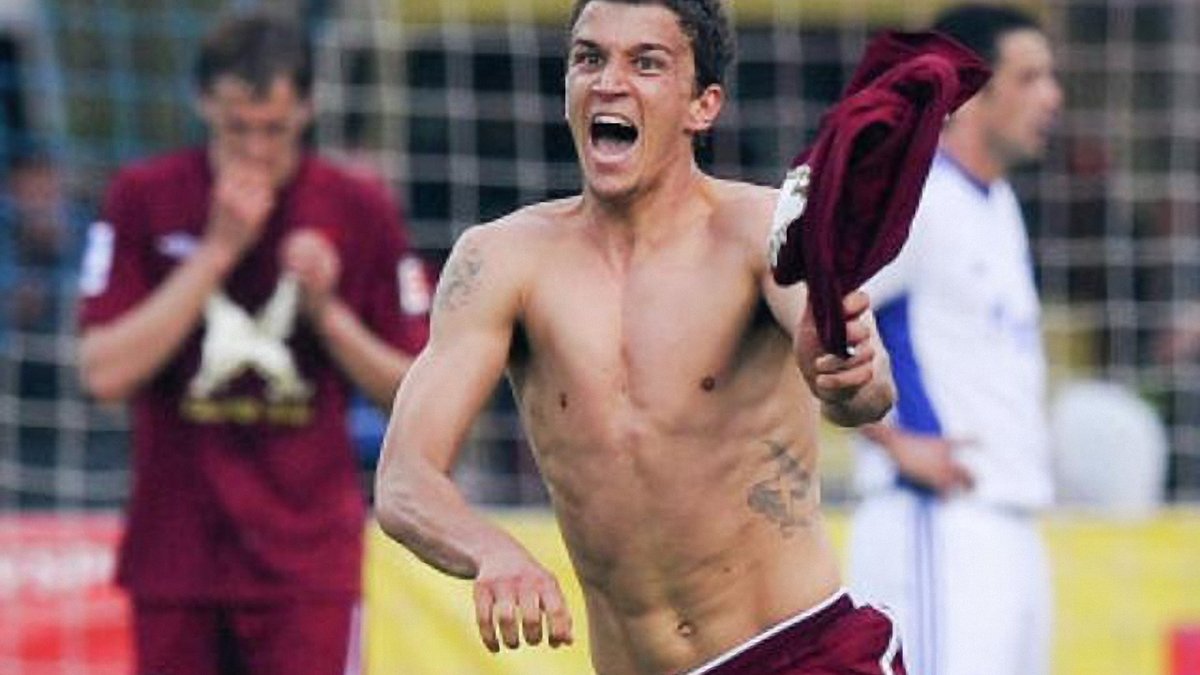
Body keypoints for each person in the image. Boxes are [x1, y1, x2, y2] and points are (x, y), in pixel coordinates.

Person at [375, 1, 901, 674]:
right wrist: (492, 550)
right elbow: (404, 479)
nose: (609, 82)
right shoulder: (501, 260)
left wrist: (848, 374)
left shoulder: (763, 229)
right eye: (589, 58)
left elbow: (864, 391)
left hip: (799, 652)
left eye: (645, 63)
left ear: (703, 105)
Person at [76, 10, 430, 675]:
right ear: (203, 103)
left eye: (275, 129)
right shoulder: (144, 196)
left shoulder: (359, 208)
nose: (257, 150)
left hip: (307, 563)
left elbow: (420, 393)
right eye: (238, 128)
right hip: (178, 555)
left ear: (307, 109)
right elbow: (102, 373)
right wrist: (216, 251)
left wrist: (328, 313)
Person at [847, 5, 1064, 675]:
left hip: (1011, 521)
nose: (1052, 97)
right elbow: (806, 312)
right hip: (938, 521)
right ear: (967, 93)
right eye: (1029, 78)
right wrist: (892, 441)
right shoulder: (912, 198)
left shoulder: (997, 202)